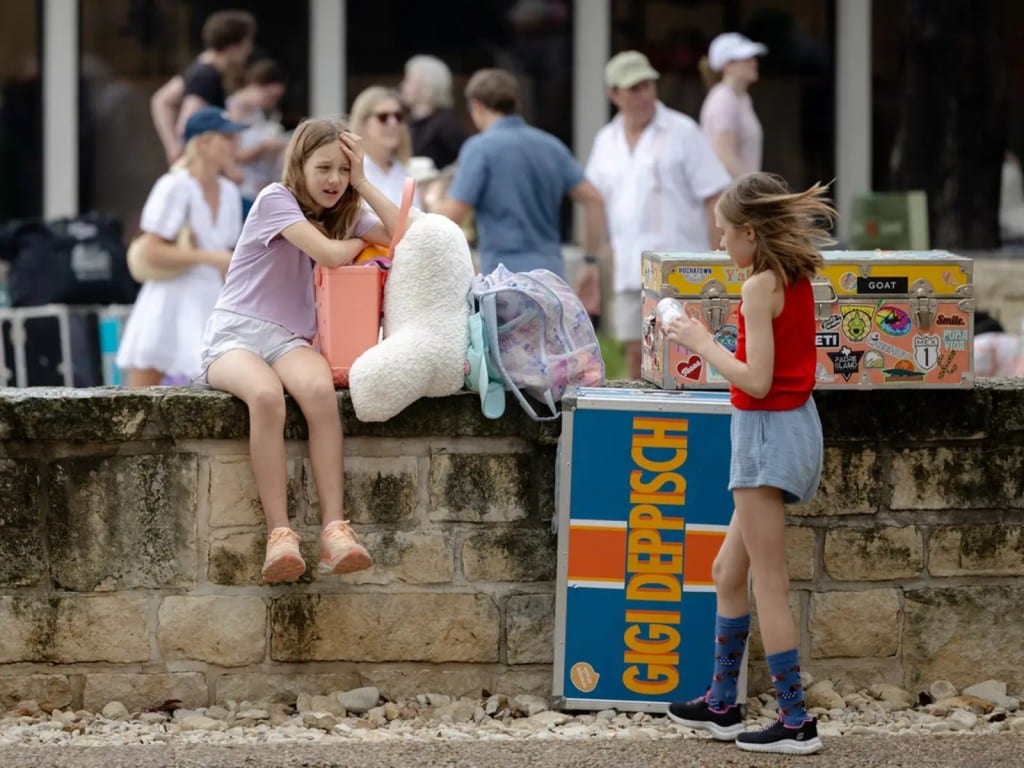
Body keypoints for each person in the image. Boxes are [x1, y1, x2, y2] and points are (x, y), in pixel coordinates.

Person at [663, 172, 832, 756]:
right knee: (725, 573)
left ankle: (795, 721)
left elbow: (756, 380)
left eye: (725, 235)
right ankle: (722, 704)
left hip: (766, 433)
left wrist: (698, 341)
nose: (719, 246)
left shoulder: (759, 286)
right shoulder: (794, 275)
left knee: (770, 584)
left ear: (752, 234)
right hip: (791, 426)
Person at [195, 118, 402, 583]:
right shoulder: (275, 199)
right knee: (266, 397)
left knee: (319, 391)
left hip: (290, 339)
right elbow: (329, 255)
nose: (334, 180)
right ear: (300, 164)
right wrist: (357, 242)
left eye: (343, 170)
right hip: (236, 334)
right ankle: (280, 535)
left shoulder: (345, 209)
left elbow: (405, 234)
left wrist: (365, 183)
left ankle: (335, 529)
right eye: (323, 167)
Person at [579, 50, 730, 380]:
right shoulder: (606, 140)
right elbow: (595, 201)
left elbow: (715, 194)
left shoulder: (683, 131)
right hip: (631, 268)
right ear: (613, 94)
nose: (645, 95)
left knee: (688, 350)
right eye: (634, 88)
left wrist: (719, 257)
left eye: (649, 85)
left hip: (684, 267)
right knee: (637, 352)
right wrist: (591, 260)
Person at [116, 106, 246, 388]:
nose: (233, 144)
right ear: (201, 143)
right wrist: (211, 257)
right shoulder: (174, 186)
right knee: (139, 394)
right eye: (225, 137)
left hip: (211, 300)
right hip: (169, 299)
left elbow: (227, 254)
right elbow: (151, 249)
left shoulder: (230, 192)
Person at [436, 68, 607, 279]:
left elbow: (450, 217)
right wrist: (590, 261)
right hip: (551, 276)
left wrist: (433, 196)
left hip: (503, 278)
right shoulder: (551, 146)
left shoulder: (479, 148)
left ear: (476, 106)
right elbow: (594, 200)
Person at [150, 9, 256, 166]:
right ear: (233, 46)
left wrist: (172, 146)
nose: (249, 50)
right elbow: (187, 123)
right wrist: (176, 148)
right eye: (247, 43)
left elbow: (161, 100)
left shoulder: (200, 68)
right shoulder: (207, 77)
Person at [699, 32, 769, 178]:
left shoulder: (742, 98)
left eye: (753, 58)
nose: (753, 62)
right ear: (726, 65)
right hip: (732, 195)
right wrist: (756, 188)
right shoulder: (723, 99)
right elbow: (724, 155)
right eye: (745, 58)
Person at [227, 58, 289, 218]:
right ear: (257, 86)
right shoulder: (233, 111)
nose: (271, 103)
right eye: (271, 97)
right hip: (242, 190)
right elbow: (233, 156)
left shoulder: (257, 113)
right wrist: (263, 147)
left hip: (258, 189)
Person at [349, 85, 422, 208]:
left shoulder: (404, 173)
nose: (393, 123)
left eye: (398, 116)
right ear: (363, 123)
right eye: (383, 117)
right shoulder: (353, 170)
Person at [400, 55, 470, 171]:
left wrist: (443, 178)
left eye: (409, 79)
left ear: (428, 85)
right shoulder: (409, 122)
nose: (403, 85)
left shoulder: (446, 124)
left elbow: (468, 157)